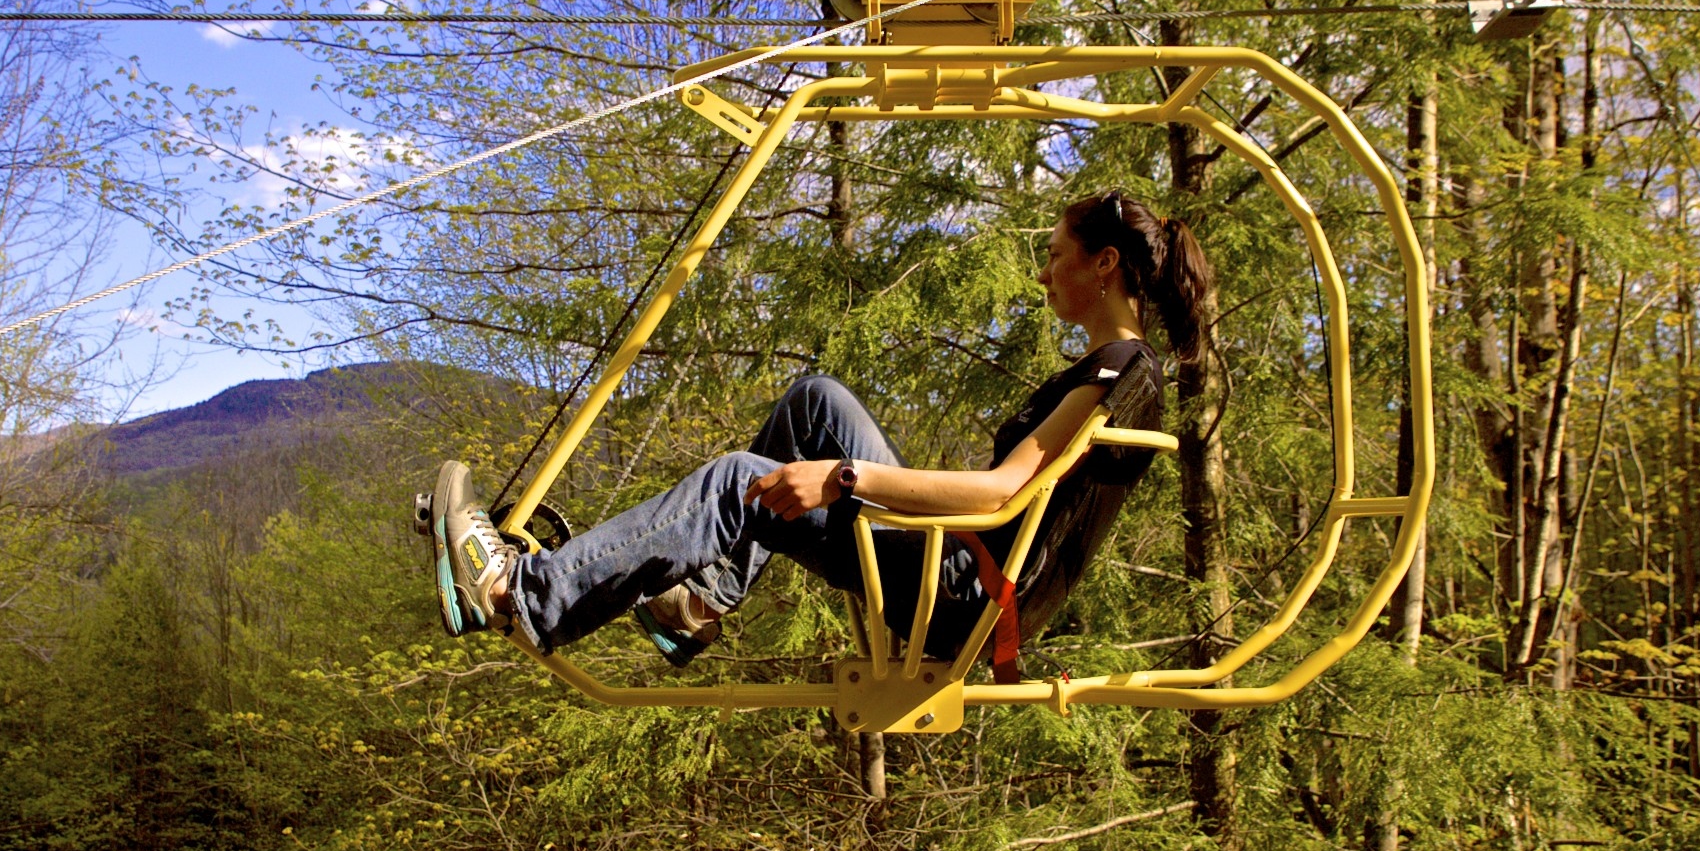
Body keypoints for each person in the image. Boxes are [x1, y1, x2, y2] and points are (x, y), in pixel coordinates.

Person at [425, 189, 1210, 669]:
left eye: (1057, 254)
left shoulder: (1120, 372)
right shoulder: (1122, 369)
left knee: (739, 482)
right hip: (971, 575)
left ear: (1104, 263)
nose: (1043, 272)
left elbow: (1003, 491)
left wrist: (843, 478)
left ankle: (521, 596)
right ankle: (700, 601)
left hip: (964, 592)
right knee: (817, 402)